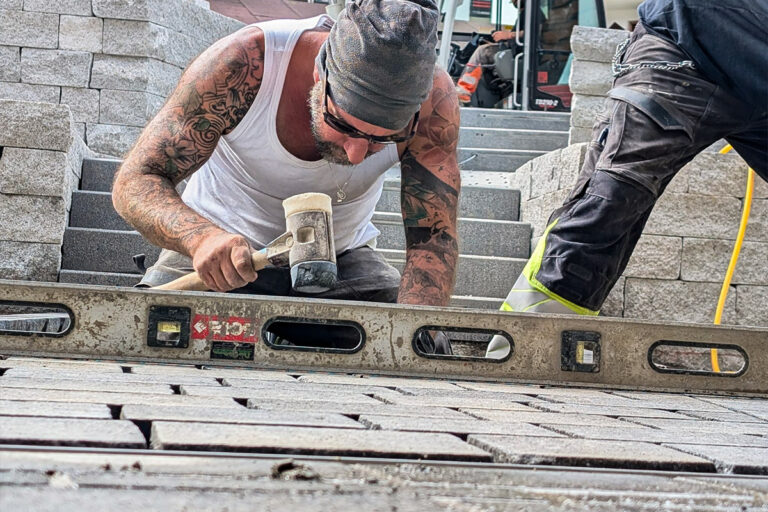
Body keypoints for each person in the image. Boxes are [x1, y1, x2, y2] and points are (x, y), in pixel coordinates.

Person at [111, 0, 460, 352]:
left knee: (423, 345)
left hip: (341, 259)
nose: (356, 154)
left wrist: (413, 333)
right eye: (343, 125)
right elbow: (137, 179)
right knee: (149, 337)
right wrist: (201, 239)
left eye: (382, 139)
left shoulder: (434, 104)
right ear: (319, 75)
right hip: (218, 250)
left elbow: (433, 237)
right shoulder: (246, 63)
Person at [487, 0, 768, 357]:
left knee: (608, 205)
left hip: (758, 73)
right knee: (609, 202)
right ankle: (527, 350)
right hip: (685, 51)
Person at [456, 1, 525, 105]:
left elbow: (535, 32)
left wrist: (509, 35)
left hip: (520, 55)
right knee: (485, 49)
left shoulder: (533, 15)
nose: (514, 2)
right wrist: (497, 44)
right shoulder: (524, 14)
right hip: (513, 50)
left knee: (482, 52)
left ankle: (464, 91)